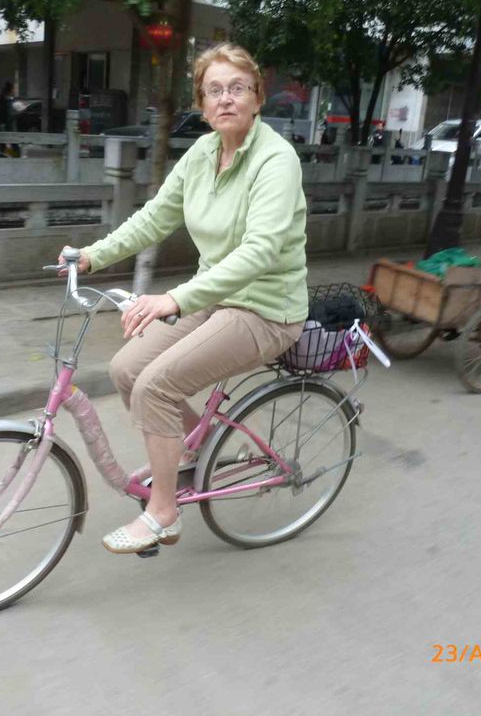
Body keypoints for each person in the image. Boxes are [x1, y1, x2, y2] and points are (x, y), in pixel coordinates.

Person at [58, 43, 309, 554]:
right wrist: (91, 256)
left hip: (265, 309)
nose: (226, 99)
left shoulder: (276, 161)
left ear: (257, 98)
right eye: (214, 90)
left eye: (237, 88)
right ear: (201, 102)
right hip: (212, 296)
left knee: (155, 387)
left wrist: (172, 299)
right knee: (127, 370)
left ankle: (165, 512)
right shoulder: (201, 154)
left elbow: (260, 251)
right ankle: (194, 453)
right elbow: (155, 217)